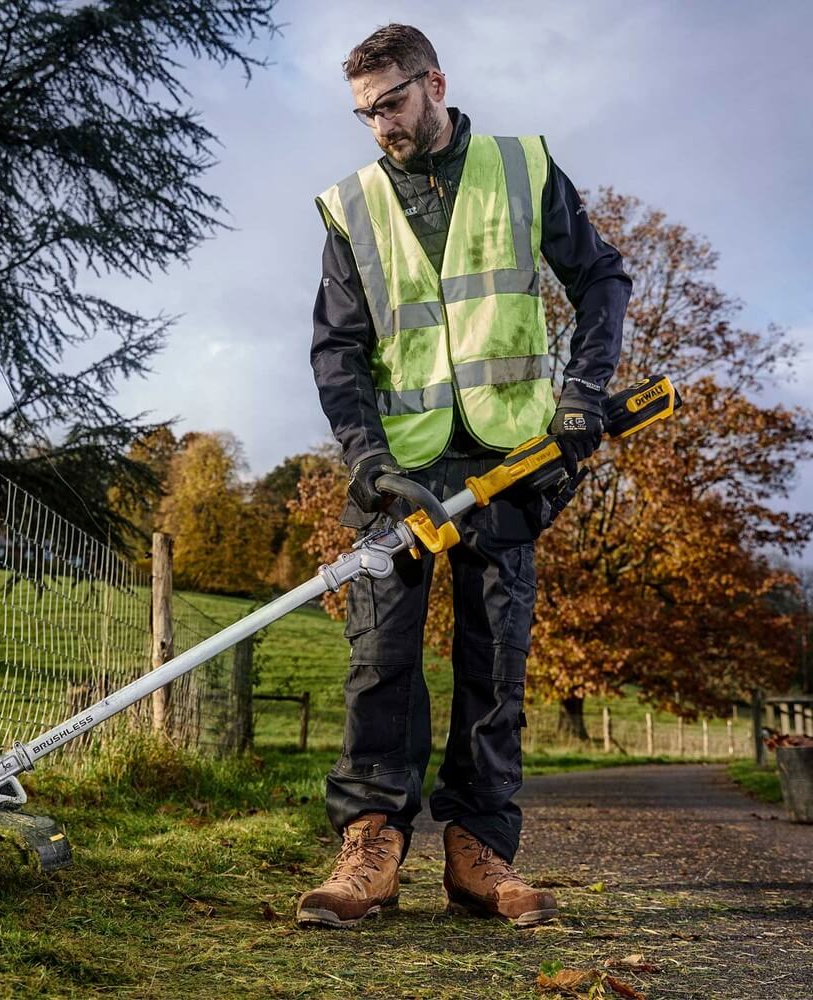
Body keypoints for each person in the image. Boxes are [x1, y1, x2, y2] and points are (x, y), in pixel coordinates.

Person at [298, 24, 631, 930]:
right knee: (379, 659)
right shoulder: (352, 206)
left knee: (496, 660)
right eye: (365, 113)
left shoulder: (522, 170)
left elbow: (601, 279)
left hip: (509, 459)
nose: (382, 127)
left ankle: (480, 852)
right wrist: (367, 464)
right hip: (400, 474)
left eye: (394, 104)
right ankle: (370, 845)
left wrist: (584, 393)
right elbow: (337, 351)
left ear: (435, 83)